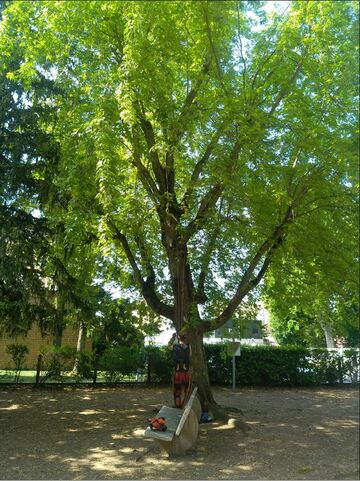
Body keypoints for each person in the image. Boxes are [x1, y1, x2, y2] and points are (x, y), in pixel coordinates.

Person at [168, 333, 191, 408]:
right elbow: (190, 355)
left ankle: (178, 405)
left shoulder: (174, 346)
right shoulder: (188, 346)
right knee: (187, 391)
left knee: (177, 390)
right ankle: (185, 405)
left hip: (177, 373)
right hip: (186, 372)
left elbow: (168, 347)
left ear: (178, 338)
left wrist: (172, 338)